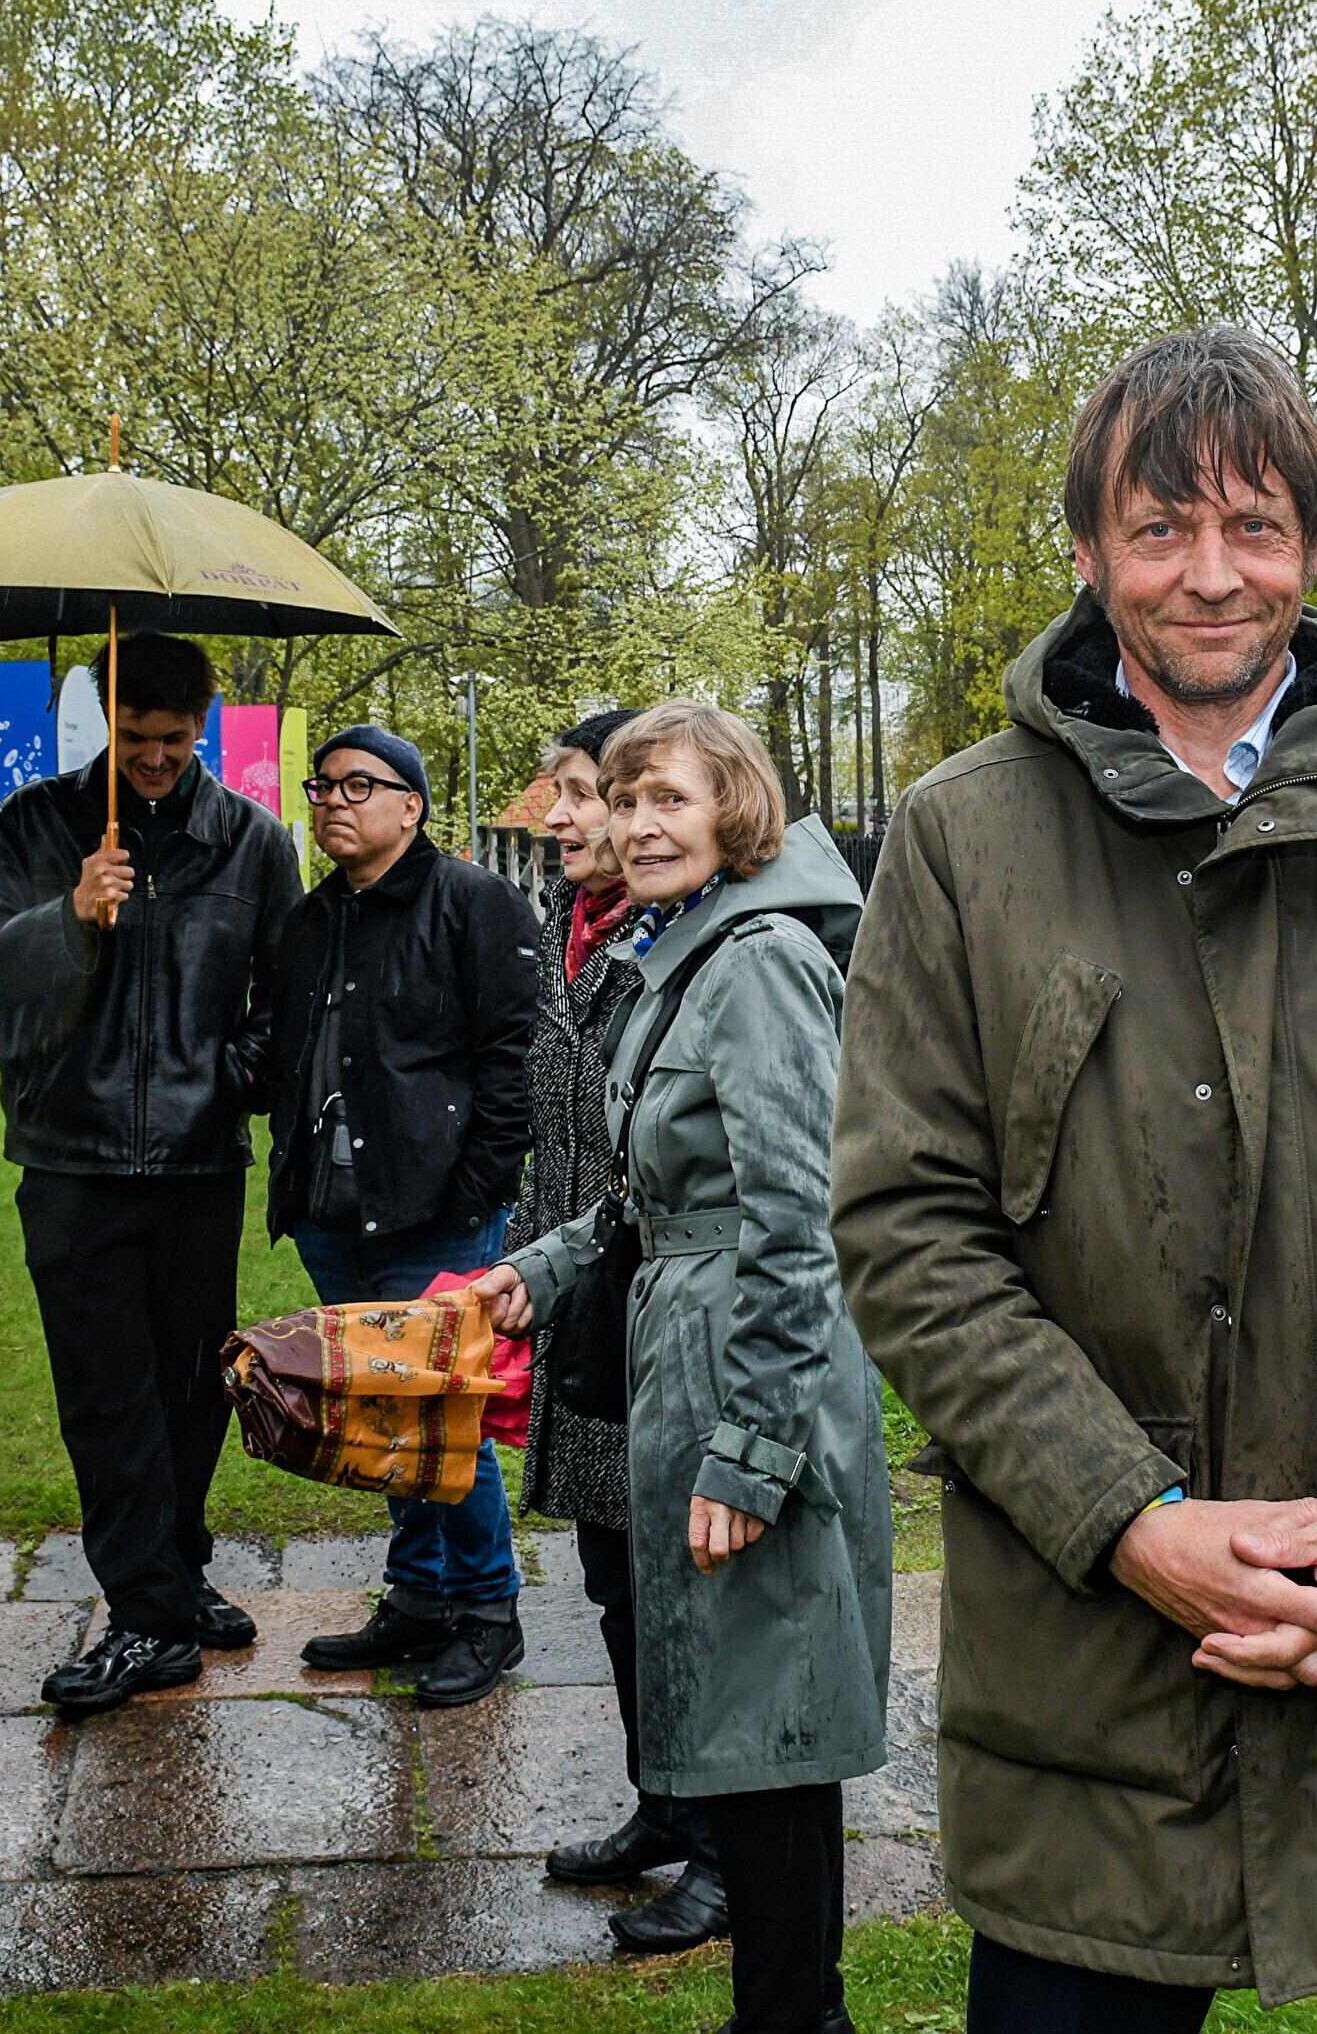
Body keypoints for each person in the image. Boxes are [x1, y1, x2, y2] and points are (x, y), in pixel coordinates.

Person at [829, 326, 1317, 2030]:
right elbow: (909, 1230)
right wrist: (1132, 1522)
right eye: (1158, 528)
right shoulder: (955, 837)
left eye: (1254, 525)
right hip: (1100, 1709)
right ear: (1086, 549)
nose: (1211, 575)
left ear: (1314, 546)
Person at [474, 701, 891, 2034]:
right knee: (749, 1720)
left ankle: (791, 2016)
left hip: (748, 1374)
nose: (639, 824)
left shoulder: (758, 960)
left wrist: (751, 1449)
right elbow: (652, 1185)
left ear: (735, 811)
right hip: (691, 1357)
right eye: (623, 796)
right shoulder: (689, 946)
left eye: (670, 798)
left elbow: (797, 1218)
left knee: (769, 1731)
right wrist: (542, 1273)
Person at [0, 634, 302, 1715]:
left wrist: (228, 1078)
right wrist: (68, 915)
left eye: (174, 739)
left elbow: (285, 996)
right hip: (72, 1155)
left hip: (198, 1159)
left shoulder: (250, 840)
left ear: (203, 724)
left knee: (194, 1384)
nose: (153, 757)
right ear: (107, 717)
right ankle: (147, 1615)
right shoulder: (33, 823)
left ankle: (172, 1568)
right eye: (136, 736)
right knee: (106, 1391)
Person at [509, 710, 730, 1954]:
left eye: (583, 792)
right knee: (616, 1581)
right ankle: (664, 1804)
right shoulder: (573, 928)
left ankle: (723, 1849)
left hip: (661, 1312)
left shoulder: (686, 945)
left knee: (686, 1594)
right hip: (582, 1299)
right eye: (563, 791)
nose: (560, 815)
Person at [266, 724, 542, 1707]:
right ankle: (419, 1595)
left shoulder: (472, 901)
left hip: (437, 1212)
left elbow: (513, 1059)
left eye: (357, 785)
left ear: (410, 805)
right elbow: (281, 1052)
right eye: (321, 786)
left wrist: (476, 1191)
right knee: (380, 1411)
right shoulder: (310, 920)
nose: (332, 801)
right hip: (331, 1213)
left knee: (442, 1411)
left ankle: (488, 1609)